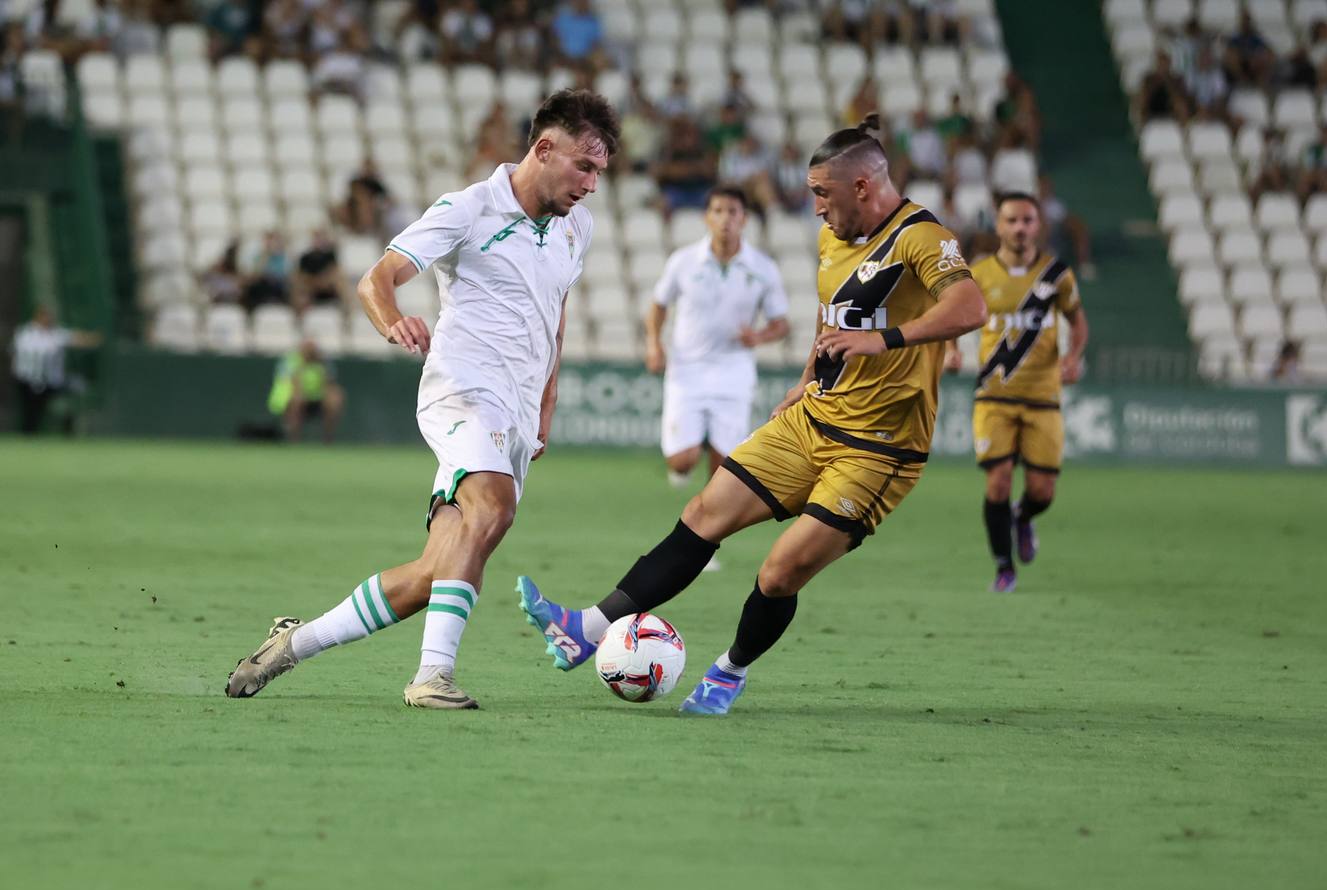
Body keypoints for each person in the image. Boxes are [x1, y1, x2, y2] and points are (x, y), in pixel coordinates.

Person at [517, 114, 987, 715]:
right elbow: (833, 316)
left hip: (879, 447)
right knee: (702, 513)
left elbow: (969, 306)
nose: (815, 207)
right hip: (813, 417)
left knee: (780, 570)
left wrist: (888, 340)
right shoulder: (834, 237)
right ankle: (585, 628)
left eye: (823, 193)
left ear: (863, 187)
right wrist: (803, 382)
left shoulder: (922, 237)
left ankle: (728, 671)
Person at [225, 89, 620, 709]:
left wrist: (546, 402)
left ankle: (292, 644)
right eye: (585, 166)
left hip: (515, 408)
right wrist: (393, 321)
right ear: (544, 148)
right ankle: (432, 675)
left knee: (435, 571)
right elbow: (375, 278)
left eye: (599, 171)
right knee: (493, 506)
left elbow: (556, 319)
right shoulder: (467, 209)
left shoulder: (578, 228)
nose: (592, 184)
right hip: (462, 388)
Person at [944, 192, 1088, 593]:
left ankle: (1023, 517)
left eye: (1027, 220)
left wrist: (1074, 355)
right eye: (1011, 221)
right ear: (998, 225)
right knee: (998, 484)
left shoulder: (1057, 275)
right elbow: (954, 318)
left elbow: (1078, 322)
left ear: (1037, 225)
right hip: (993, 395)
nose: (1020, 228)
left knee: (1042, 492)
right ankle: (1004, 567)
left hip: (1044, 396)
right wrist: (953, 351)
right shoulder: (979, 274)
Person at [643, 184, 789, 525]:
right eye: (719, 211)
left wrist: (760, 336)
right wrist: (654, 343)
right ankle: (691, 453)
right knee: (682, 461)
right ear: (707, 217)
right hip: (686, 369)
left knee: (725, 468)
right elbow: (658, 305)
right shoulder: (684, 261)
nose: (726, 219)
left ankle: (702, 534)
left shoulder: (762, 267)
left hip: (733, 371)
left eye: (733, 212)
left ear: (745, 218)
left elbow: (781, 323)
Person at [10, 305, 101, 434]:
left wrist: (95, 338)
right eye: (46, 317)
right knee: (30, 412)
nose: (48, 320)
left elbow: (77, 338)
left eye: (50, 317)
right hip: (26, 380)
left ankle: (68, 431)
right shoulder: (25, 333)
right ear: (38, 317)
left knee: (75, 391)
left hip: (51, 382)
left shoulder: (56, 334)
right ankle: (28, 435)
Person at [267, 339, 345, 443]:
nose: (311, 352)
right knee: (297, 400)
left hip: (316, 399)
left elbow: (329, 384)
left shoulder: (322, 362)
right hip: (294, 400)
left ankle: (328, 439)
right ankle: (294, 439)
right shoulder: (293, 361)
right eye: (308, 349)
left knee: (335, 397)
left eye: (313, 349)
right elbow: (294, 385)